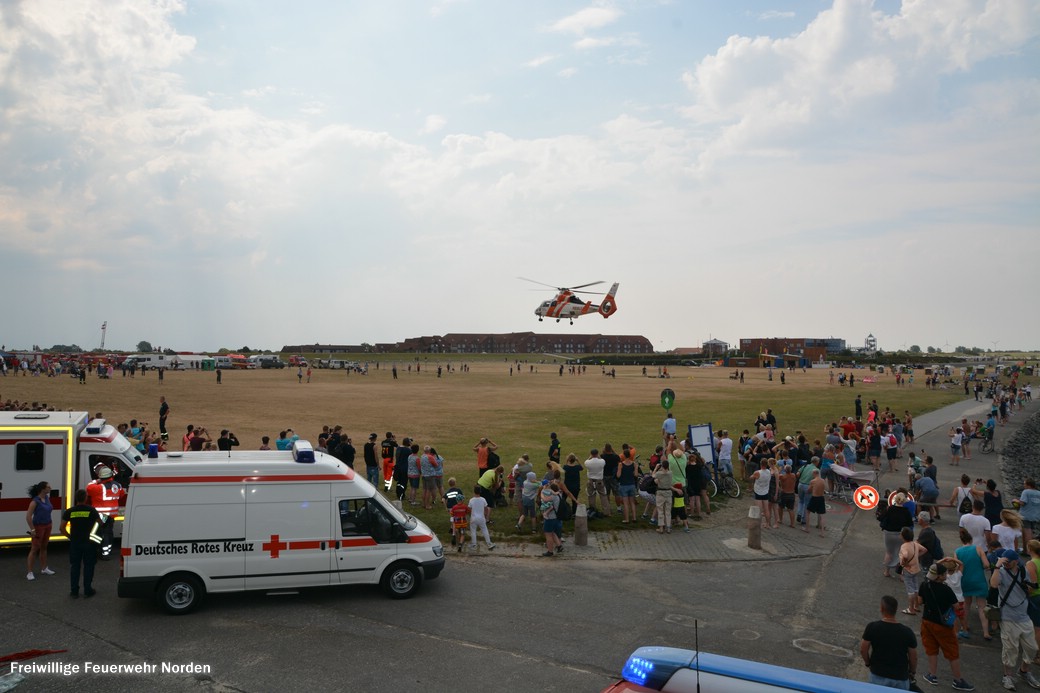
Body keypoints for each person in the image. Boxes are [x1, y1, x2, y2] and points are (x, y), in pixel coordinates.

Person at [918, 563, 975, 690]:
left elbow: (920, 601)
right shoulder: (946, 590)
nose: (946, 575)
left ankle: (932, 675)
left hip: (926, 621)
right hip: (943, 625)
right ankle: (957, 680)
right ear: (940, 576)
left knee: (931, 648)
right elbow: (957, 607)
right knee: (952, 652)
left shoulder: (924, 585)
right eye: (944, 574)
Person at [990, 550, 1040, 690]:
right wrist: (997, 567)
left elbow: (1030, 589)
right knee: (1010, 649)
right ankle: (1008, 676)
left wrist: (1027, 588)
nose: (1006, 564)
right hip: (1007, 617)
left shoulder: (1024, 571)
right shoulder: (1001, 572)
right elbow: (994, 584)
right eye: (1004, 561)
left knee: (1032, 648)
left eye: (1008, 562)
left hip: (1023, 616)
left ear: (1016, 561)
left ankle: (1024, 671)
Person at [860, 594, 918, 690]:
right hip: (900, 677)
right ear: (896, 610)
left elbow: (863, 649)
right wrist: (912, 672)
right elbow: (913, 657)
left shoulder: (873, 627)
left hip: (878, 674)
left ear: (882, 609)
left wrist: (868, 663)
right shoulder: (907, 632)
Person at [61, 488, 102, 598]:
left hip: (75, 543)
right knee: (88, 566)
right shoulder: (91, 510)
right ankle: (88, 589)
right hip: (89, 543)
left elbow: (61, 528)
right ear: (85, 498)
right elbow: (100, 523)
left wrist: (70, 536)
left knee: (75, 567)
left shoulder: (70, 511)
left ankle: (74, 591)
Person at [955, 527, 992, 641]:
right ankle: (986, 632)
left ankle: (964, 627)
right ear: (971, 540)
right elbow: (986, 565)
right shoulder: (978, 549)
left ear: (962, 540)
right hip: (979, 580)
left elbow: (957, 568)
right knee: (982, 606)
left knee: (966, 605)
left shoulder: (957, 552)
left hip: (965, 581)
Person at [85, 465, 125, 560]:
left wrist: (96, 481)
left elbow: (88, 488)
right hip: (112, 515)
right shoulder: (118, 486)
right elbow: (121, 495)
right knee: (108, 533)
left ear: (101, 477)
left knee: (95, 534)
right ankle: (106, 552)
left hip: (101, 516)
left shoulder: (99, 487)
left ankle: (98, 551)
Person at [25, 481, 55, 581]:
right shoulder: (35, 501)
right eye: (48, 487)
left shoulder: (46, 498)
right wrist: (32, 529)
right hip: (38, 527)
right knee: (34, 549)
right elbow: (28, 516)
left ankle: (44, 568)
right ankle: (29, 572)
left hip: (48, 525)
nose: (50, 488)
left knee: (44, 547)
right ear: (43, 489)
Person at [899, 527, 926, 615]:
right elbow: (924, 550)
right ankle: (916, 605)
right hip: (916, 568)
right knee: (915, 587)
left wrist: (904, 562)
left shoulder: (904, 546)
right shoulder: (915, 544)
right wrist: (916, 556)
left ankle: (911, 608)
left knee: (910, 589)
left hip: (908, 569)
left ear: (903, 536)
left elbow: (905, 555)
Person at [466, 485, 495, 551]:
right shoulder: (483, 499)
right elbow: (486, 508)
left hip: (473, 518)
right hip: (481, 518)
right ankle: (489, 543)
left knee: (473, 531)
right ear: (480, 491)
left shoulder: (471, 500)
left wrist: (470, 516)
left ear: (474, 491)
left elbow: (469, 509)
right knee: (485, 530)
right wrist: (485, 515)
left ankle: (474, 545)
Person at [539, 482, 563, 556]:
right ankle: (559, 546)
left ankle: (550, 551)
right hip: (556, 517)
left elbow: (545, 499)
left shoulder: (552, 497)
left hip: (550, 517)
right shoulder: (559, 495)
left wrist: (541, 492)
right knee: (552, 532)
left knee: (548, 534)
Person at [584, 449, 610, 516]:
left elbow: (587, 461)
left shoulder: (588, 462)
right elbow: (602, 460)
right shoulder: (602, 461)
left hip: (590, 481)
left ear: (591, 454)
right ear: (597, 453)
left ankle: (592, 511)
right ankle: (606, 512)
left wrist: (590, 457)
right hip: (599, 481)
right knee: (603, 496)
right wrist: (598, 456)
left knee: (591, 496)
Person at [1017, 479, 1040, 546]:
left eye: (1025, 484)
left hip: (1025, 515)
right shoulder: (1039, 493)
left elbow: (1022, 503)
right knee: (1030, 532)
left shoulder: (1026, 492)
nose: (1024, 485)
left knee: (1027, 532)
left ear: (1028, 485)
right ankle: (1026, 549)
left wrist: (1016, 500)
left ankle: (1029, 549)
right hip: (1035, 516)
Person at [652, 459, 673, 534]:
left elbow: (653, 476)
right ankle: (668, 527)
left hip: (660, 492)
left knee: (660, 510)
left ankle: (661, 527)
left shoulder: (659, 473)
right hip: (668, 492)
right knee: (668, 511)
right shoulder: (670, 473)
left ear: (662, 466)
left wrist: (656, 468)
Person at [805, 469, 827, 537]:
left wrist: (807, 491)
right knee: (822, 515)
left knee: (808, 512)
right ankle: (822, 532)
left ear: (814, 473)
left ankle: (807, 528)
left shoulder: (813, 481)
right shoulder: (823, 480)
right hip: (821, 498)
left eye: (812, 474)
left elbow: (809, 490)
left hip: (814, 498)